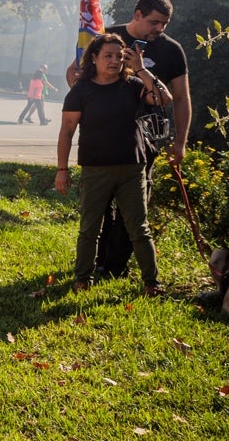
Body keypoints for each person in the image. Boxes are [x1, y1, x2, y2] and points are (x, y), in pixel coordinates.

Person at [65, 0, 191, 278]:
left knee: (132, 210)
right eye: (154, 22)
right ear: (137, 15)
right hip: (102, 139)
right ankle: (95, 264)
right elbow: (75, 72)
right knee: (100, 208)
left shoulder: (172, 50)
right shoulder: (106, 36)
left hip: (143, 142)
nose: (159, 29)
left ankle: (115, 267)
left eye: (164, 24)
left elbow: (181, 98)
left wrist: (180, 142)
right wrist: (80, 91)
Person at [56, 32, 172, 294]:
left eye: (119, 57)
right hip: (96, 168)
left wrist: (141, 69)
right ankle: (83, 279)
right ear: (94, 58)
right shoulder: (81, 91)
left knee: (139, 229)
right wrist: (62, 170)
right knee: (90, 228)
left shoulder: (132, 85)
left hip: (133, 168)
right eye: (107, 56)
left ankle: (151, 283)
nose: (114, 61)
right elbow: (66, 131)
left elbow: (164, 98)